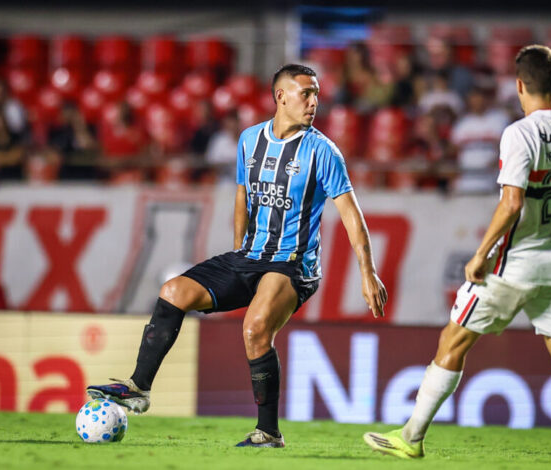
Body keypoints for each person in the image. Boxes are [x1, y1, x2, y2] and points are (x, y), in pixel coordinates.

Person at [363, 45, 551, 465]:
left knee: (454, 339)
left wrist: (481, 254)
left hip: (518, 264)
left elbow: (512, 203)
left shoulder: (519, 133)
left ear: (519, 86)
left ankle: (411, 436)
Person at [87, 64, 387, 447]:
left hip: (292, 264)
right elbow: (242, 196)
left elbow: (351, 214)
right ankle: (139, 387)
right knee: (172, 292)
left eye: (316, 94)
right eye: (306, 93)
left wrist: (367, 272)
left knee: (255, 328)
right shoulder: (249, 140)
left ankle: (268, 432)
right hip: (249, 257)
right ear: (281, 96)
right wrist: (239, 249)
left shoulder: (323, 151)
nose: (314, 102)